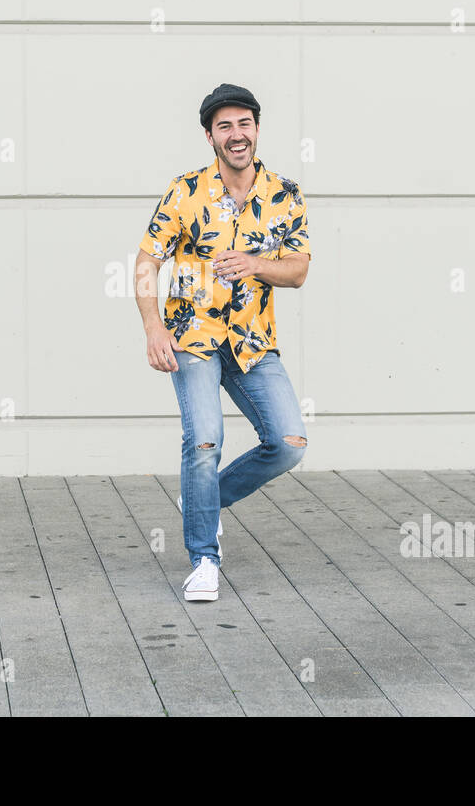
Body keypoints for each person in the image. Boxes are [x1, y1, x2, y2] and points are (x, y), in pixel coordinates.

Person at [133, 83, 311, 602]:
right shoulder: (185, 190)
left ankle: (202, 502)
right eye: (225, 126)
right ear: (210, 136)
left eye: (244, 124)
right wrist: (153, 329)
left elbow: (298, 270)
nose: (237, 135)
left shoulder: (284, 194)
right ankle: (204, 560)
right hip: (193, 337)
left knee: (289, 444)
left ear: (256, 129)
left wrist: (256, 264)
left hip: (254, 342)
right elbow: (147, 262)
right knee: (204, 441)